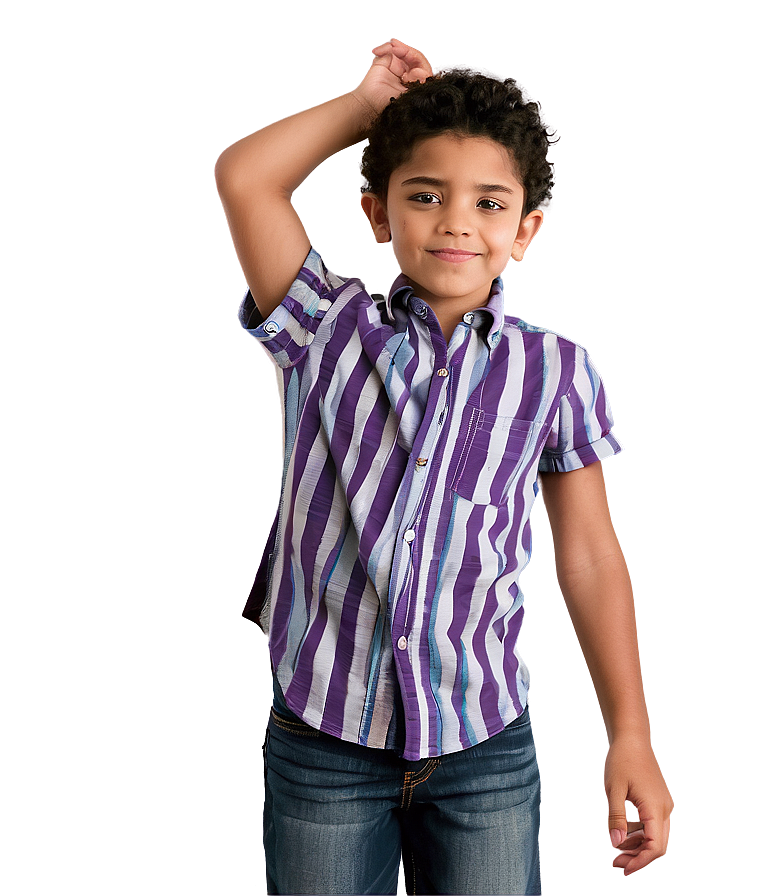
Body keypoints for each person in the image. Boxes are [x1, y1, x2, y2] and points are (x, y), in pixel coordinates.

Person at [216, 37, 672, 896]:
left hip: (483, 744)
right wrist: (362, 105)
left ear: (525, 231)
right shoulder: (326, 329)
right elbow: (245, 179)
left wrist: (632, 733)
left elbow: (591, 558)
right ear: (378, 217)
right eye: (425, 197)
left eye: (489, 203)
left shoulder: (555, 371)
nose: (457, 221)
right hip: (323, 740)